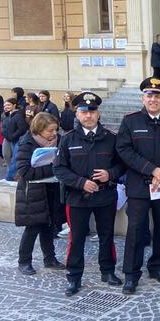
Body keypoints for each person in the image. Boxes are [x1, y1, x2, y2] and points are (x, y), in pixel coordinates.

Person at [116, 77, 160, 295]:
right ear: (143, 98)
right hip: (139, 186)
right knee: (136, 231)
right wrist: (152, 170)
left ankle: (156, 266)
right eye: (149, 95)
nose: (153, 99)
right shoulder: (130, 121)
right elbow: (124, 150)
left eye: (157, 96)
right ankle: (131, 274)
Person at [53, 92, 125, 296]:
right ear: (77, 114)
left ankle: (108, 271)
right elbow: (59, 169)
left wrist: (109, 174)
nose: (88, 115)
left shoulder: (111, 138)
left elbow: (122, 164)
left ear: (98, 114)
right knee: (76, 238)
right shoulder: (67, 139)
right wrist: (81, 182)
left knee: (106, 236)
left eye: (92, 111)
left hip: (105, 196)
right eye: (84, 112)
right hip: (77, 198)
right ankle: (74, 277)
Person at [15, 112, 65, 275]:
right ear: (39, 129)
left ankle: (49, 258)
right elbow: (24, 171)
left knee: (48, 226)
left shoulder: (57, 141)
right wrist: (53, 168)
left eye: (55, 130)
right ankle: (24, 261)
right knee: (33, 227)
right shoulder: (27, 142)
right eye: (50, 130)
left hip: (51, 190)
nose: (53, 134)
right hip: (33, 193)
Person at [1, 98, 28, 181]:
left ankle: (11, 176)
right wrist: (5, 135)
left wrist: (13, 136)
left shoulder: (19, 115)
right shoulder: (6, 115)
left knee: (15, 157)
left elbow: (22, 129)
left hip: (17, 139)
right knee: (6, 155)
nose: (6, 107)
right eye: (5, 105)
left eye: (8, 105)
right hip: (8, 138)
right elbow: (3, 127)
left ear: (14, 105)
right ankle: (11, 173)